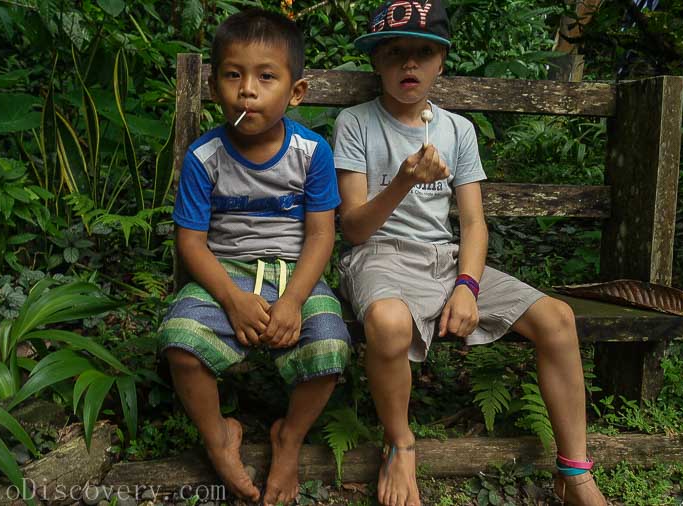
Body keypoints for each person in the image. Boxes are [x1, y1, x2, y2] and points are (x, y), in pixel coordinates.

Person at [332, 1, 608, 505]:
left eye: (422, 52)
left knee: (558, 319)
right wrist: (402, 183)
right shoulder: (356, 123)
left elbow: (474, 222)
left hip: (447, 259)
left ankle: (574, 472)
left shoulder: (458, 130)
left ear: (440, 61)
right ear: (376, 62)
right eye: (395, 53)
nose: (408, 64)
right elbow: (353, 229)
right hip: (380, 255)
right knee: (389, 323)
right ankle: (401, 443)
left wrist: (467, 285)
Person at [157, 8, 351, 506]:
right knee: (180, 344)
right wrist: (231, 298)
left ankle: (289, 439)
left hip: (297, 275)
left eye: (266, 77)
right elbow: (192, 243)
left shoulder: (312, 152)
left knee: (330, 349)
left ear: (296, 91)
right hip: (224, 274)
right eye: (233, 75)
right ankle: (219, 436)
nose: (248, 90)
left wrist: (292, 301)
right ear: (214, 85)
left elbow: (321, 237)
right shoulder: (205, 157)